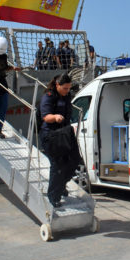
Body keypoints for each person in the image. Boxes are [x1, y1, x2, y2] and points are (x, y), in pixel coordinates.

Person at [40, 73, 82, 207]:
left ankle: (61, 184)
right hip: (51, 135)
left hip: (65, 132)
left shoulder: (67, 96)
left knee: (75, 160)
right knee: (57, 165)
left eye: (69, 88)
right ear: (57, 85)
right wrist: (55, 116)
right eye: (64, 88)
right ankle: (54, 197)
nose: (67, 91)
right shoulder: (48, 97)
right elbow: (46, 117)